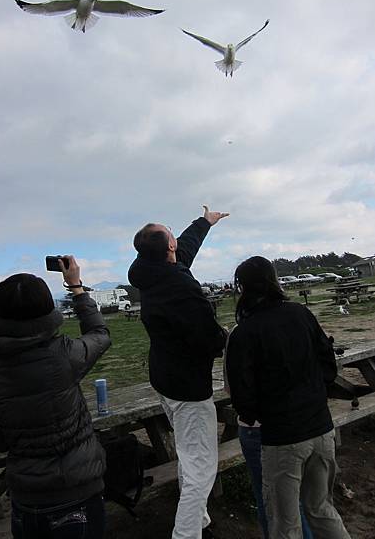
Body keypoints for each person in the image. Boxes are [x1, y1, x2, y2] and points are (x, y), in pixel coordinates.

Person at [0, 256, 111, 539]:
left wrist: (18, 440)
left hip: (25, 499)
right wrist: (76, 286)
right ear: (47, 314)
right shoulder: (65, 355)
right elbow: (100, 333)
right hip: (78, 492)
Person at [226, 256, 351, 539]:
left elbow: (241, 396)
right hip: (321, 430)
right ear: (274, 281)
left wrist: (259, 415)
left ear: (242, 288)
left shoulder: (244, 333)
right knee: (321, 509)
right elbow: (328, 367)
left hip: (282, 440)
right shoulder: (300, 313)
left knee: (285, 523)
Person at [128, 206, 229, 539]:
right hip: (187, 387)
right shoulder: (180, 287)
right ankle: (186, 534)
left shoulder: (149, 269)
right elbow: (207, 338)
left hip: (165, 378)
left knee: (190, 452)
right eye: (171, 232)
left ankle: (198, 521)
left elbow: (183, 250)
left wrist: (204, 222)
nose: (175, 237)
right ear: (167, 246)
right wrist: (229, 338)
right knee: (201, 465)